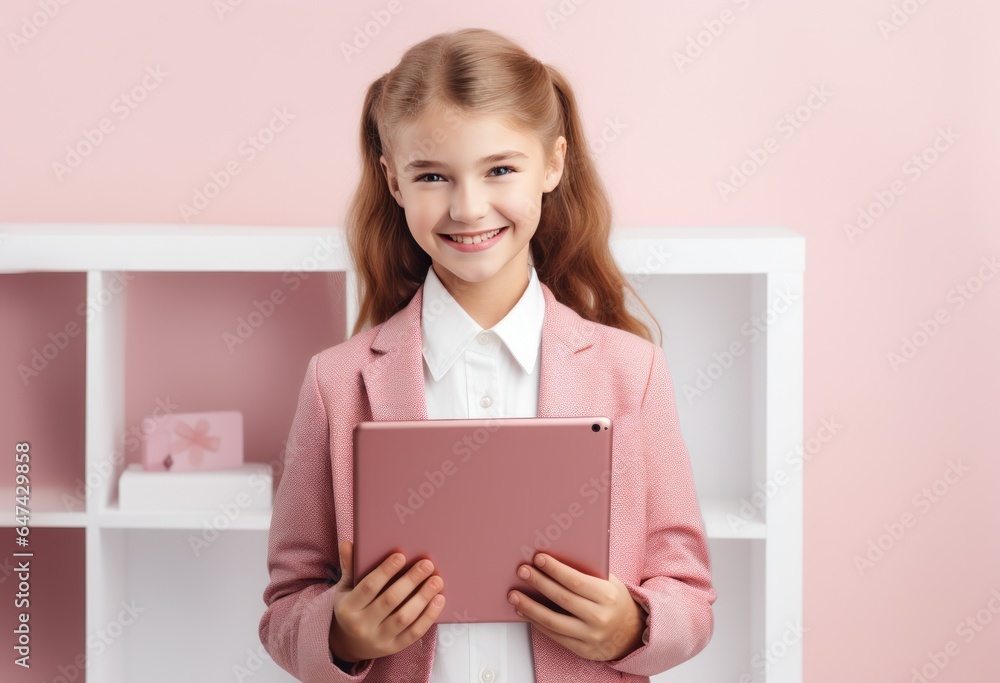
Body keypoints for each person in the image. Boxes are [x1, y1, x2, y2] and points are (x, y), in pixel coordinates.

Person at [259, 26, 716, 683]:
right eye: (433, 175)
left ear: (552, 164)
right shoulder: (338, 381)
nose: (468, 207)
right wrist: (343, 631)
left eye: (500, 169)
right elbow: (285, 606)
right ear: (393, 180)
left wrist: (631, 625)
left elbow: (690, 594)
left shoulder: (631, 371)